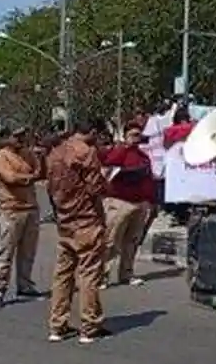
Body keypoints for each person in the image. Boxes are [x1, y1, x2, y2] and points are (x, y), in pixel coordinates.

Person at [45, 120, 109, 344]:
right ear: (91, 132)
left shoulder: (56, 152)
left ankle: (57, 325)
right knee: (89, 275)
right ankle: (89, 326)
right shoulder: (86, 152)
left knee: (62, 275)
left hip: (65, 221)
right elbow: (95, 187)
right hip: (86, 220)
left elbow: (50, 188)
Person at [0, 127, 47, 310]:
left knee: (28, 252)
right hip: (11, 210)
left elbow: (41, 174)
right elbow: (10, 178)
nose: (21, 139)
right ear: (7, 138)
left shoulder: (27, 154)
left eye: (23, 135)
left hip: (30, 208)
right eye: (17, 136)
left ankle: (25, 286)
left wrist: (42, 157)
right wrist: (30, 177)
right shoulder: (0, 156)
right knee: (5, 253)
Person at [101, 123, 155, 287]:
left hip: (139, 204)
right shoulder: (119, 153)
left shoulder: (143, 157)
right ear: (125, 136)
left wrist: (151, 202)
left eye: (139, 135)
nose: (137, 138)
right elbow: (107, 166)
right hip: (120, 202)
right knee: (111, 240)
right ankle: (102, 276)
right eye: (133, 134)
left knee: (132, 241)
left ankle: (127, 273)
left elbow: (149, 180)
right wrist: (124, 147)